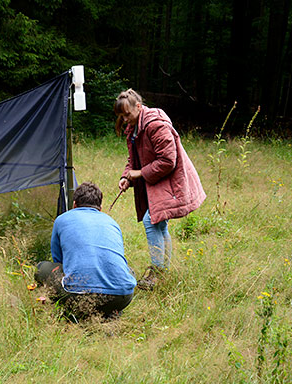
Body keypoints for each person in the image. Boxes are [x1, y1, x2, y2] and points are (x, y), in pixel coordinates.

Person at [114, 88, 206, 290]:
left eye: (127, 114)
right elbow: (134, 158)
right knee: (159, 225)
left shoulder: (156, 125)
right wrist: (126, 176)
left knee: (151, 220)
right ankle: (162, 271)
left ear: (138, 107)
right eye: (121, 116)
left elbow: (168, 161)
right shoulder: (134, 126)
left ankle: (156, 273)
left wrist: (139, 174)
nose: (125, 119)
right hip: (155, 181)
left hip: (170, 180)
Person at [35, 182, 136, 320]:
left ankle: (71, 311)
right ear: (100, 208)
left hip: (77, 296)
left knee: (42, 268)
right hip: (122, 297)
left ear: (74, 204)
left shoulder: (62, 220)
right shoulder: (112, 222)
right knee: (128, 270)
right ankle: (110, 311)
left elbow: (58, 260)